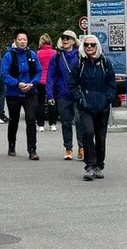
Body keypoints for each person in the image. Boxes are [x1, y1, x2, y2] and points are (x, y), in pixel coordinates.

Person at [70, 34, 116, 182]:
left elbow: (112, 84)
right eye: (86, 45)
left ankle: (99, 165)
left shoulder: (105, 63)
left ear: (97, 46)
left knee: (101, 137)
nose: (89, 47)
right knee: (88, 133)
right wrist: (80, 99)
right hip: (86, 106)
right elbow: (72, 84)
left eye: (92, 45)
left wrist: (107, 99)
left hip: (102, 106)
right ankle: (89, 165)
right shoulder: (79, 64)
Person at [0, 29, 42, 160]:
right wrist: (17, 84)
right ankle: (11, 145)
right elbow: (4, 74)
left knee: (31, 119)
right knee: (14, 120)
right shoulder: (8, 56)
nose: (22, 42)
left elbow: (39, 71)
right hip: (13, 93)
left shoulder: (32, 54)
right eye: (20, 39)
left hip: (30, 92)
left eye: (24, 39)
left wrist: (32, 83)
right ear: (15, 41)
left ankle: (32, 150)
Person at [47, 30, 85, 161]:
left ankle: (82, 148)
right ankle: (68, 148)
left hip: (78, 94)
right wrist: (50, 94)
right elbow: (51, 76)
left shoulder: (80, 55)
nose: (65, 40)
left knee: (80, 121)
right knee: (66, 123)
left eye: (68, 38)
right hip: (63, 94)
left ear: (74, 41)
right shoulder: (57, 57)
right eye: (63, 37)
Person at [35, 34, 58, 132]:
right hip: (51, 80)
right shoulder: (55, 53)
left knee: (40, 102)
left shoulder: (38, 53)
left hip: (41, 80)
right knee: (52, 101)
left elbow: (36, 67)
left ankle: (40, 125)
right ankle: (52, 124)